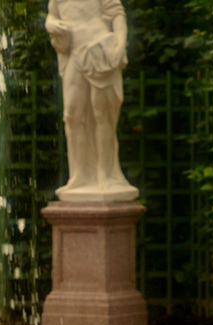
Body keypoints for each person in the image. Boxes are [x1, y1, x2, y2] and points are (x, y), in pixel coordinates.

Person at [45, 0, 136, 201]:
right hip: (74, 55)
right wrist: (50, 24)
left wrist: (120, 45)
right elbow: (52, 15)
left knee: (102, 115)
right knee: (72, 116)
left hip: (99, 50)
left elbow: (117, 15)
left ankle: (105, 173)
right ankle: (80, 175)